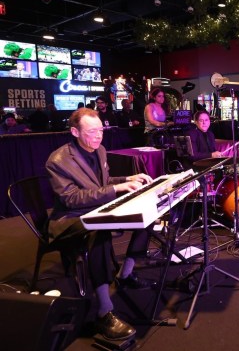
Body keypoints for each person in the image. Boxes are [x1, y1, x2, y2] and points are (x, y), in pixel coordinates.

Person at [45, 108, 156, 341]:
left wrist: (126, 179)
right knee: (99, 231)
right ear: (75, 131)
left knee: (147, 215)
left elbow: (101, 184)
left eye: (101, 130)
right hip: (69, 219)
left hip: (95, 210)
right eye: (92, 131)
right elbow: (72, 198)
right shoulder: (58, 160)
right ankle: (104, 312)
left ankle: (125, 274)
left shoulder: (100, 150)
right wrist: (115, 189)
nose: (98, 136)